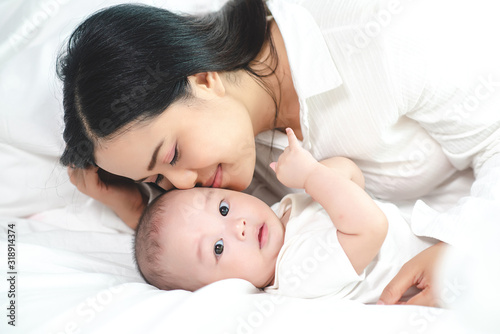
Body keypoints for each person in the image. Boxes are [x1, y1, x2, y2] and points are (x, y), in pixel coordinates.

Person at [58, 0, 500, 306]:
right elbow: (204, 240)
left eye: (172, 154)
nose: (184, 184)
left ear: (204, 79)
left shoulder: (385, 38)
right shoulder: (234, 156)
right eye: (157, 180)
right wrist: (132, 207)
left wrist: (463, 247)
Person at [135, 128, 442, 304]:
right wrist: (311, 175)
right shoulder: (295, 273)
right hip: (438, 284)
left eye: (223, 208)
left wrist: (325, 176)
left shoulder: (281, 214)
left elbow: (353, 182)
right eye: (218, 247)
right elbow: (370, 228)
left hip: (441, 238)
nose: (237, 227)